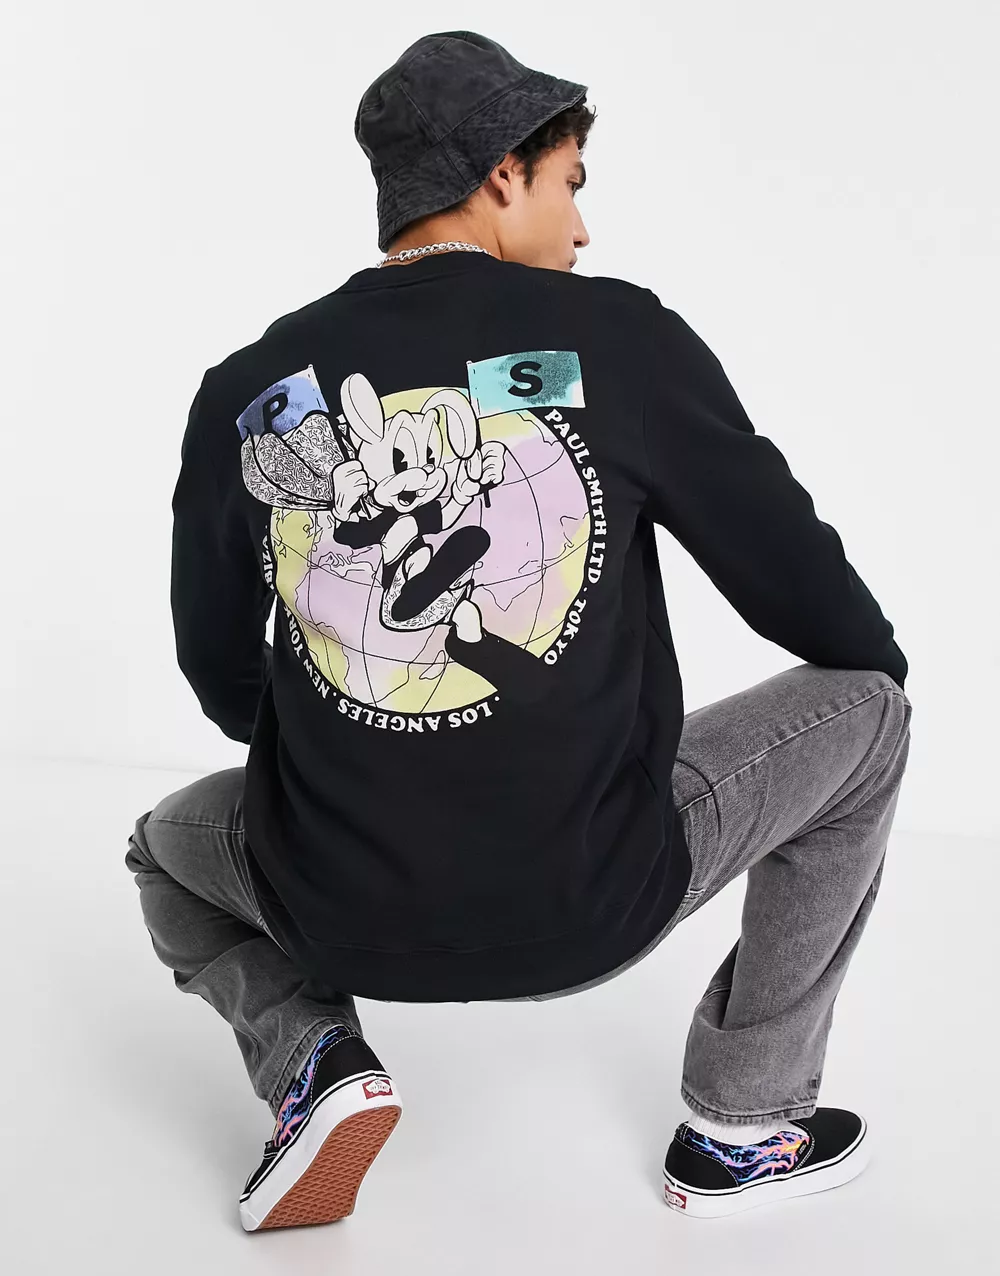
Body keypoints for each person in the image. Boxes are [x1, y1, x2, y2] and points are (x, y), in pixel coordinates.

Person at [124, 30, 913, 1231]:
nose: (582, 229)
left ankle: (311, 1060)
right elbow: (800, 591)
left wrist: (352, 749)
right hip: (597, 894)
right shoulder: (624, 341)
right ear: (503, 173)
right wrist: (875, 656)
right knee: (871, 715)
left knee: (158, 851)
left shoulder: (247, 387)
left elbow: (216, 663)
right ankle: (746, 1124)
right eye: (570, 184)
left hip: (330, 904)